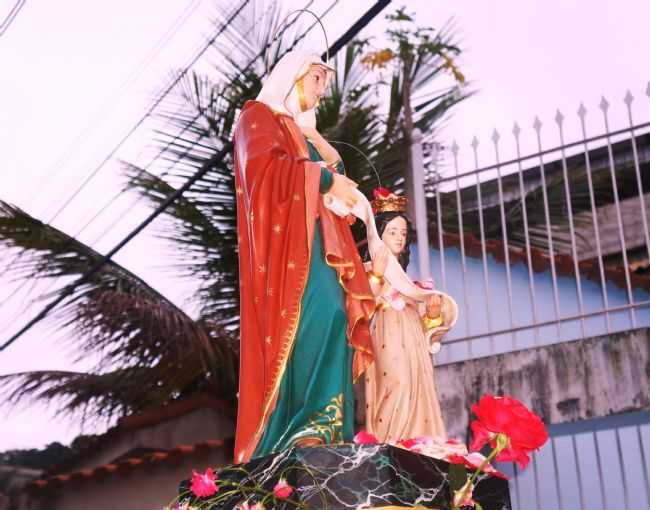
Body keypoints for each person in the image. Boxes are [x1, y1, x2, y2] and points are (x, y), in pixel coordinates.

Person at [232, 50, 375, 463]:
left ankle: (326, 429)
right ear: (293, 75)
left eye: (325, 83)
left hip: (317, 241)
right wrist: (326, 180)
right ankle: (301, 428)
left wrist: (315, 145)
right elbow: (264, 172)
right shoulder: (257, 117)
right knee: (321, 315)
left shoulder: (294, 128)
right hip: (288, 253)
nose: (321, 89)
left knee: (336, 316)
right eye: (316, 79)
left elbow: (330, 166)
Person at [362, 190, 450, 443]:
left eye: (403, 233)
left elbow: (428, 324)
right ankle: (391, 441)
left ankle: (417, 442)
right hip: (386, 331)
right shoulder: (367, 270)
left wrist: (432, 315)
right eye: (392, 231)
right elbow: (358, 305)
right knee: (396, 384)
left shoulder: (410, 282)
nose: (399, 238)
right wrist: (376, 276)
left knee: (418, 386)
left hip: (412, 337)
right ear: (378, 235)